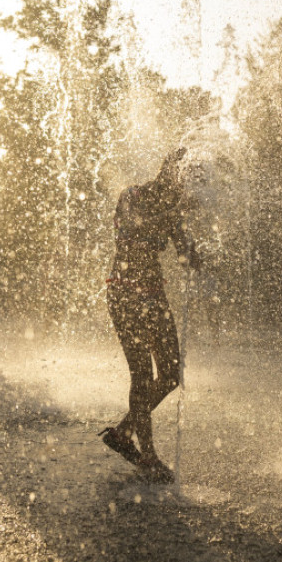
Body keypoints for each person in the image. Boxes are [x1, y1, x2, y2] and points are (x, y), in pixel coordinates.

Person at [99, 148, 201, 483]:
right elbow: (133, 229)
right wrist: (175, 214)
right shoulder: (132, 196)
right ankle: (149, 457)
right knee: (142, 374)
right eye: (182, 181)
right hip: (125, 292)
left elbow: (185, 255)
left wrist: (195, 253)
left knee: (171, 374)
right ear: (167, 174)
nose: (186, 189)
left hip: (154, 294)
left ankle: (124, 432)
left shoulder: (173, 212)